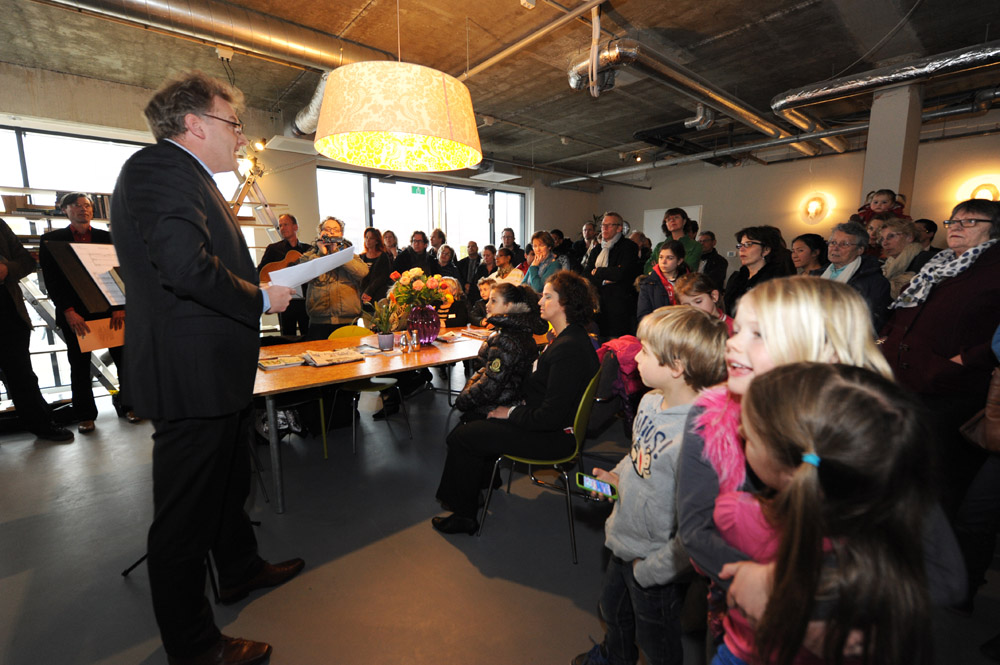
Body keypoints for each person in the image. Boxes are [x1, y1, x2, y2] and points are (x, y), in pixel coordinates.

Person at [110, 71, 302, 665]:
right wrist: (259, 298)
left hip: (214, 371)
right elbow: (185, 268)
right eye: (233, 123)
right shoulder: (159, 168)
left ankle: (239, 569)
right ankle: (194, 648)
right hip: (190, 375)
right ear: (194, 123)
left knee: (226, 486)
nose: (241, 137)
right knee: (185, 519)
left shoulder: (190, 177)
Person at [675, 278, 964, 658]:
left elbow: (942, 576)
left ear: (827, 352)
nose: (733, 341)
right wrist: (754, 584)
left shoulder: (867, 434)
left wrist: (797, 595)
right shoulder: (710, 414)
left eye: (759, 333)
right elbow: (696, 529)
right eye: (738, 328)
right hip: (740, 622)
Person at [715, 363, 935, 665]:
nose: (740, 431)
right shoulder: (887, 536)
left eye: (750, 437)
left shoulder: (734, 512)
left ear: (796, 470)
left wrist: (775, 588)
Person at [572, 306, 727, 665]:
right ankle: (616, 656)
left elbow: (695, 531)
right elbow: (638, 456)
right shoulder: (650, 401)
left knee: (655, 639)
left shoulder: (697, 438)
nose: (636, 357)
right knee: (612, 610)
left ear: (676, 367)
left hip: (655, 561)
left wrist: (651, 570)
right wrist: (616, 477)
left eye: (645, 351)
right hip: (624, 539)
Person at [880, 200, 1000, 590]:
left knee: (940, 484)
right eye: (954, 220)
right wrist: (887, 340)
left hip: (952, 389)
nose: (957, 226)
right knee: (903, 476)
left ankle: (941, 577)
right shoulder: (941, 264)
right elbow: (906, 313)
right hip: (907, 382)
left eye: (970, 221)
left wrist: (964, 360)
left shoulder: (993, 268)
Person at [433, 270, 600, 534]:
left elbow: (550, 416)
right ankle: (480, 485)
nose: (540, 301)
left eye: (548, 297)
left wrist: (510, 412)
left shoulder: (568, 349)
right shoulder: (570, 338)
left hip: (552, 437)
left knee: (462, 437)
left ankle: (464, 515)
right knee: (475, 420)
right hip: (546, 424)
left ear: (565, 303)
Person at [39, 192, 132, 432]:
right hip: (75, 314)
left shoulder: (108, 238)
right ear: (64, 210)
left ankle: (131, 406)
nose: (84, 209)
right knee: (79, 365)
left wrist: (119, 306)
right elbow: (52, 280)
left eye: (87, 205)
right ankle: (85, 415)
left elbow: (120, 273)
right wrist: (68, 311)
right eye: (77, 205)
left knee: (125, 360)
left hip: (111, 311)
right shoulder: (52, 240)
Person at [0, 219, 74, 441]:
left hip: (8, 313)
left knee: (22, 375)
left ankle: (42, 426)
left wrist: (6, 269)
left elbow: (26, 262)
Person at [455, 282, 547, 416]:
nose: (487, 305)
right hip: (508, 400)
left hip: (498, 406)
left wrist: (463, 400)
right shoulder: (517, 332)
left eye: (493, 301)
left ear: (508, 305)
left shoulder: (506, 341)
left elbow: (490, 387)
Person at [301, 216, 368, 340]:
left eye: (335, 230)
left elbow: (362, 272)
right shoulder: (309, 256)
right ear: (320, 233)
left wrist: (337, 254)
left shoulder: (350, 255)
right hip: (319, 322)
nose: (331, 232)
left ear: (341, 234)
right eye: (327, 229)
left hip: (347, 321)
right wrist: (321, 254)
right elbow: (304, 275)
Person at [820, 221, 891, 330]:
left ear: (860, 250)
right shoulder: (816, 274)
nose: (835, 248)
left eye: (844, 244)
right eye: (833, 242)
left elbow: (871, 323)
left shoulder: (875, 282)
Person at [256, 213, 312, 337]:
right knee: (287, 336)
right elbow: (261, 272)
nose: (282, 228)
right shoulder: (273, 249)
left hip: (305, 301)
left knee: (308, 335)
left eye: (286, 224)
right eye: (280, 226)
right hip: (284, 301)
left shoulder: (308, 250)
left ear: (295, 227)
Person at [586, 212, 640, 339]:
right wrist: (604, 280)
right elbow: (587, 275)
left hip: (619, 307)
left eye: (609, 225)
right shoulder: (597, 249)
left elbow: (621, 274)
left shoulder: (628, 247)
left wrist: (598, 272)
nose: (604, 228)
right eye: (603, 225)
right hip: (598, 305)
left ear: (619, 228)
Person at [722, 226, 789, 317]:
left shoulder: (775, 280)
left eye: (748, 244)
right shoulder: (736, 278)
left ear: (766, 250)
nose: (741, 249)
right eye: (740, 245)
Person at [880, 218, 934, 299]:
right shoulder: (887, 264)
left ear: (909, 237)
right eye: (882, 239)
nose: (885, 243)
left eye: (891, 236)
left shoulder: (925, 260)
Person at [637, 240, 688, 323]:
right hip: (658, 327)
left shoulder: (689, 281)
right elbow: (643, 315)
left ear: (679, 261)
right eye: (661, 257)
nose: (663, 262)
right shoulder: (648, 283)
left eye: (670, 258)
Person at [647, 208, 701, 274]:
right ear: (666, 224)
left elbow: (688, 268)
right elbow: (647, 268)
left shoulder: (695, 245)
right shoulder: (660, 246)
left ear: (684, 221)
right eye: (668, 219)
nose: (672, 220)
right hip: (659, 280)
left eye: (676, 217)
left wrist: (658, 268)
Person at [358, 227, 392, 303]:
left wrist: (369, 291)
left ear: (376, 241)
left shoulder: (383, 256)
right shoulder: (361, 257)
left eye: (371, 238)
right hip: (363, 295)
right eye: (366, 237)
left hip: (378, 294)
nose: (368, 240)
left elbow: (382, 277)